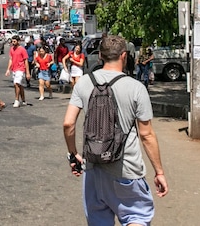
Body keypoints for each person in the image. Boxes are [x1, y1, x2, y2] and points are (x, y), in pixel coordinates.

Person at [63, 35, 168, 225]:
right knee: (136, 217)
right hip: (127, 170)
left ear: (100, 56)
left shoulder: (84, 83)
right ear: (124, 55)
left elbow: (68, 124)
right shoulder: (136, 87)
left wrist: (73, 155)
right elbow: (146, 134)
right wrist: (159, 171)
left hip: (94, 169)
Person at [5, 36, 30, 107]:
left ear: (18, 41)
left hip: (20, 69)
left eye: (14, 41)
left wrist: (27, 72)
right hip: (14, 69)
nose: (13, 43)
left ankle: (16, 100)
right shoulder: (11, 49)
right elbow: (11, 59)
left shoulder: (22, 50)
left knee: (16, 84)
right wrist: (8, 69)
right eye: (12, 41)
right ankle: (24, 100)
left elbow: (26, 61)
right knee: (19, 85)